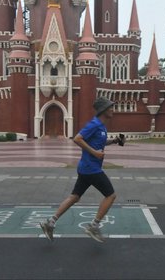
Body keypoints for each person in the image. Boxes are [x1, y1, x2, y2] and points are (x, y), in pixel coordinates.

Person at [40, 97, 125, 242]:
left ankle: (50, 223)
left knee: (75, 196)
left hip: (86, 168)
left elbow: (99, 141)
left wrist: (114, 141)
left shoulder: (102, 126)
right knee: (110, 196)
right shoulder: (94, 124)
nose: (113, 109)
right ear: (103, 110)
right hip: (91, 169)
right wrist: (95, 153)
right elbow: (77, 139)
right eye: (110, 107)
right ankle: (94, 226)